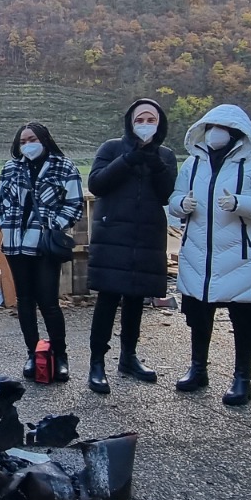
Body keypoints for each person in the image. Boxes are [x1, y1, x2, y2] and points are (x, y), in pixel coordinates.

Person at [168, 104, 251, 406]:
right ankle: (198, 369)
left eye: (223, 128)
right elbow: (174, 199)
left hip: (239, 255)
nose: (216, 133)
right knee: (198, 315)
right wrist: (182, 204)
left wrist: (240, 203)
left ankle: (242, 378)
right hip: (198, 254)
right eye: (211, 127)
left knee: (244, 318)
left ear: (236, 133)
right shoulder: (193, 164)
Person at [85, 100, 177, 394]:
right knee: (108, 298)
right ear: (130, 121)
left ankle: (129, 357)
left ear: (159, 124)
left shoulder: (165, 154)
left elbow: (166, 195)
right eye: (141, 118)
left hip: (147, 234)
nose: (146, 123)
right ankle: (96, 363)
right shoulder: (111, 148)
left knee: (136, 298)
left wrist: (154, 162)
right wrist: (128, 159)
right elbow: (97, 183)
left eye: (152, 119)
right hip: (114, 231)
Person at [0, 122, 85, 383]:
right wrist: (3, 222)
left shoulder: (63, 166)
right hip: (15, 244)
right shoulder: (11, 167)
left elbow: (74, 203)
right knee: (24, 301)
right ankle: (32, 353)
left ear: (44, 139)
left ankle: (61, 355)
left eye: (32, 139)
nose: (27, 145)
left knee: (49, 302)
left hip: (43, 245)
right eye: (22, 141)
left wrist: (53, 225)